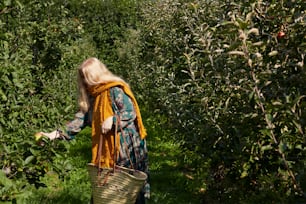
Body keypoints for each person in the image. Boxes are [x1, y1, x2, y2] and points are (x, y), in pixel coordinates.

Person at [40, 57, 150, 203]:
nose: (86, 81)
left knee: (129, 192)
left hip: (126, 148)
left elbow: (130, 112)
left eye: (88, 77)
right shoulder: (92, 97)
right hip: (106, 152)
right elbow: (77, 122)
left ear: (97, 74)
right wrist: (54, 135)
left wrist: (112, 119)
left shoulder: (114, 89)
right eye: (83, 78)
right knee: (106, 192)